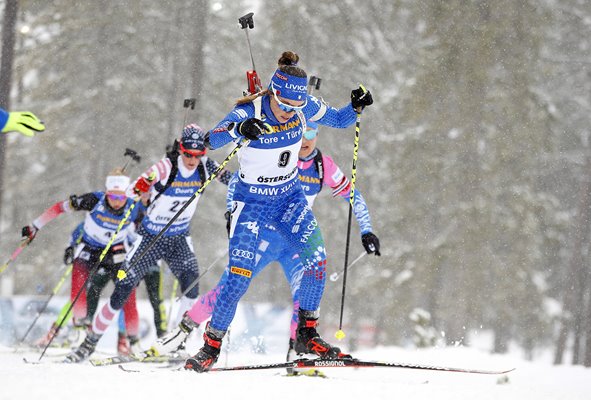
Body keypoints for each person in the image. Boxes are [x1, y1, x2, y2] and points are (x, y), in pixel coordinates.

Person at [181, 50, 373, 372]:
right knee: (238, 279)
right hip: (252, 204)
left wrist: (355, 107)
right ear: (273, 93)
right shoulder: (250, 110)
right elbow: (209, 140)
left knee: (317, 261)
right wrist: (239, 131)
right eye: (284, 106)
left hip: (289, 199)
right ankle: (210, 346)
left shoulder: (303, 106)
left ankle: (306, 335)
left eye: (295, 107)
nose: (289, 113)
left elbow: (339, 119)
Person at [147, 120, 380, 376]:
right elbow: (239, 180)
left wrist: (366, 229)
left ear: (317, 135)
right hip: (262, 239)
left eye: (311, 134)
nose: (305, 140)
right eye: (301, 134)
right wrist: (232, 212)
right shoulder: (279, 154)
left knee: (305, 292)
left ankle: (298, 353)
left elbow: (353, 195)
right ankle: (183, 332)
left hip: (291, 245)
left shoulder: (323, 166)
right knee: (229, 288)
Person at [65, 125, 233, 362]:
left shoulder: (207, 167)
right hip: (150, 238)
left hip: (178, 238)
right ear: (180, 150)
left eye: (198, 154)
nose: (193, 160)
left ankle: (176, 342)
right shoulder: (165, 167)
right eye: (188, 154)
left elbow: (234, 181)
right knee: (123, 288)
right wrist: (140, 190)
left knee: (191, 282)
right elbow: (135, 189)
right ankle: (89, 343)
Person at [23, 169, 145, 350]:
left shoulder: (134, 208)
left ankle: (133, 343)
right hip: (90, 249)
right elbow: (59, 208)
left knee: (128, 292)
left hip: (116, 252)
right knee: (78, 288)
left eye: (121, 198)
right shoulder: (94, 200)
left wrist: (141, 260)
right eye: (113, 197)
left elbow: (145, 232)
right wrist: (35, 226)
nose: (117, 202)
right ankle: (80, 329)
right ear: (106, 192)